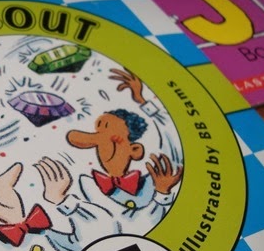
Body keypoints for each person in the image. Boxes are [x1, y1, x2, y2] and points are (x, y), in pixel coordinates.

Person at [65, 68, 183, 234]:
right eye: (99, 131)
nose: (102, 140)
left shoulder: (157, 177)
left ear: (135, 150)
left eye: (112, 137)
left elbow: (171, 136)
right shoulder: (88, 185)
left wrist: (142, 101)